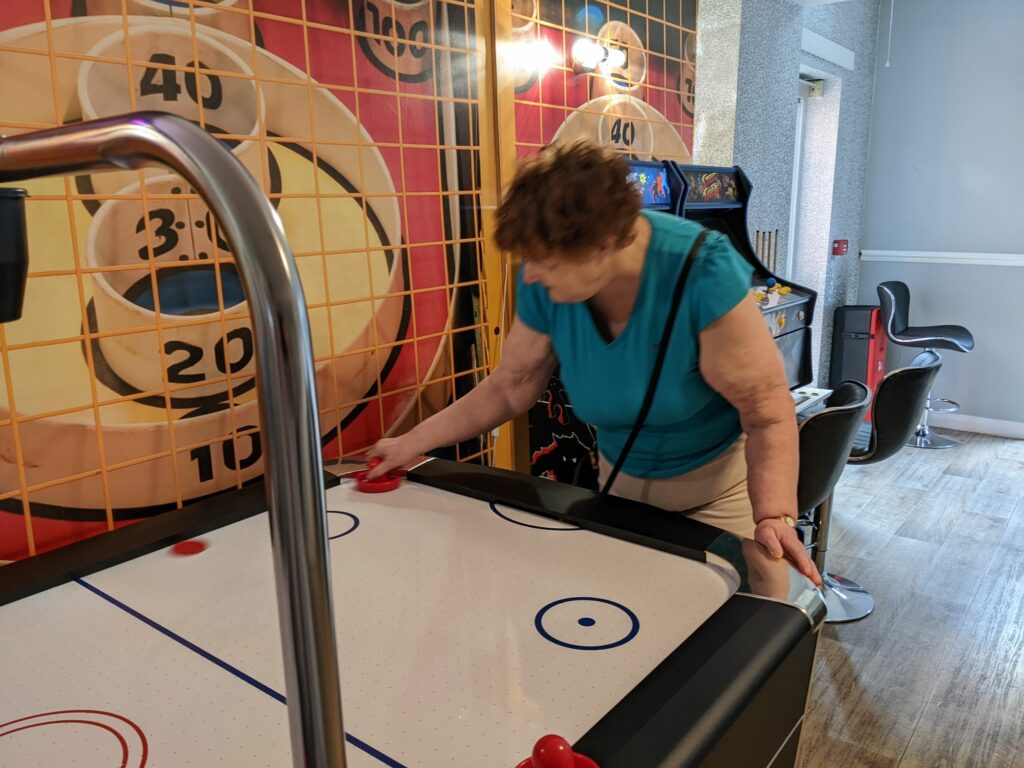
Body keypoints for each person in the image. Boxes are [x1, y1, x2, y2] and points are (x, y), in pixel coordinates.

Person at [369, 140, 820, 585]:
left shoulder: (702, 269)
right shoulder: (546, 283)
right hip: (620, 491)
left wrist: (775, 515)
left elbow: (766, 411)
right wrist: (411, 443)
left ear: (602, 244)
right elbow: (509, 387)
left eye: (543, 261)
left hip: (721, 499)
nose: (530, 275)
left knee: (749, 609)